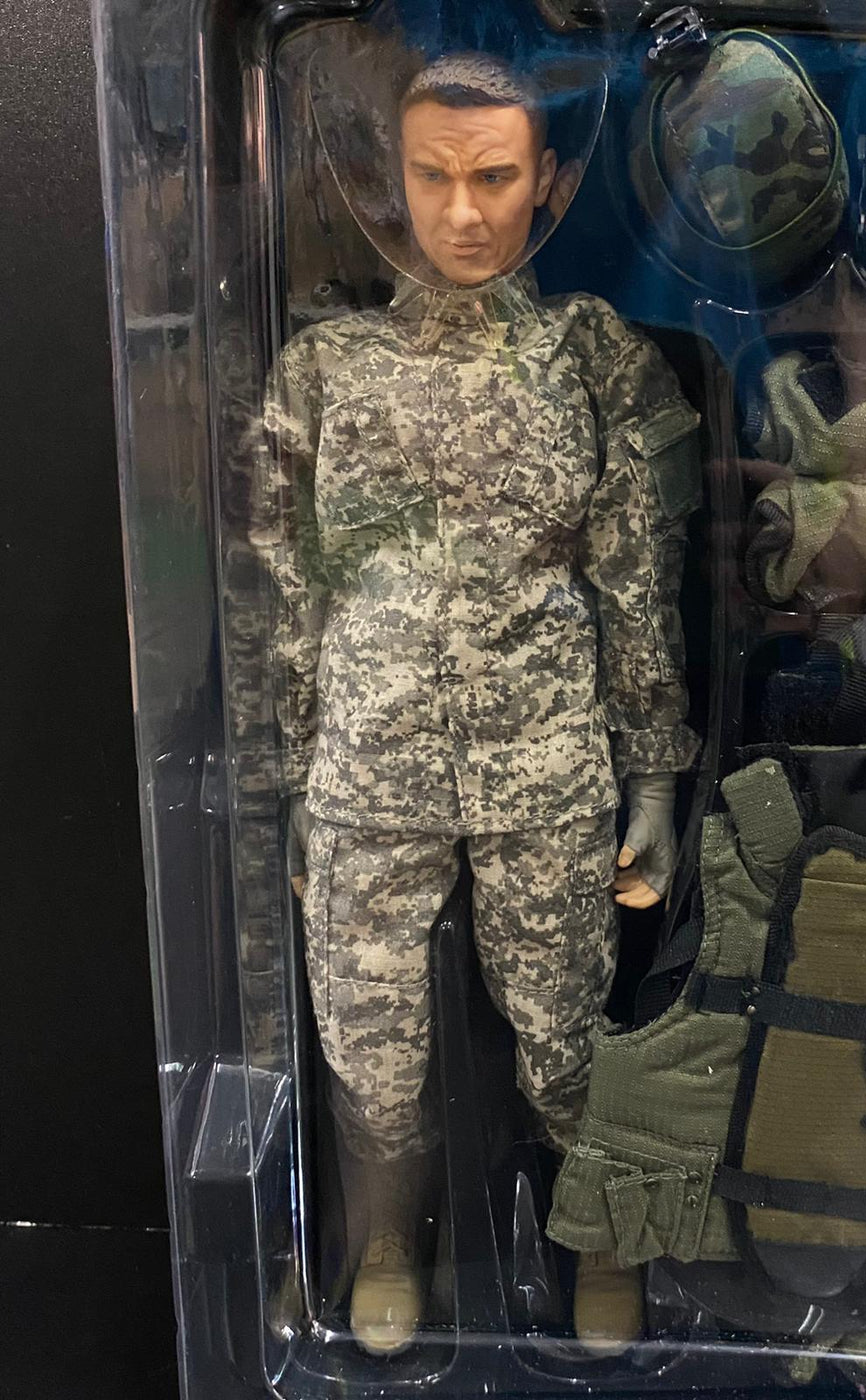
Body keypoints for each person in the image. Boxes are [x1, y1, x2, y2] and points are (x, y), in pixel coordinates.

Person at [251, 49, 700, 1356]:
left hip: (543, 764)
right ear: (391, 182)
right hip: (370, 768)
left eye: (494, 178)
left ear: (545, 182)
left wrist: (655, 778)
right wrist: (295, 777)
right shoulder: (327, 370)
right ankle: (386, 1236)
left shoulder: (593, 359)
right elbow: (285, 592)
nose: (462, 213)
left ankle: (602, 1233)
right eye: (433, 177)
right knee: (369, 1048)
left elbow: (637, 584)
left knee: (565, 1037)